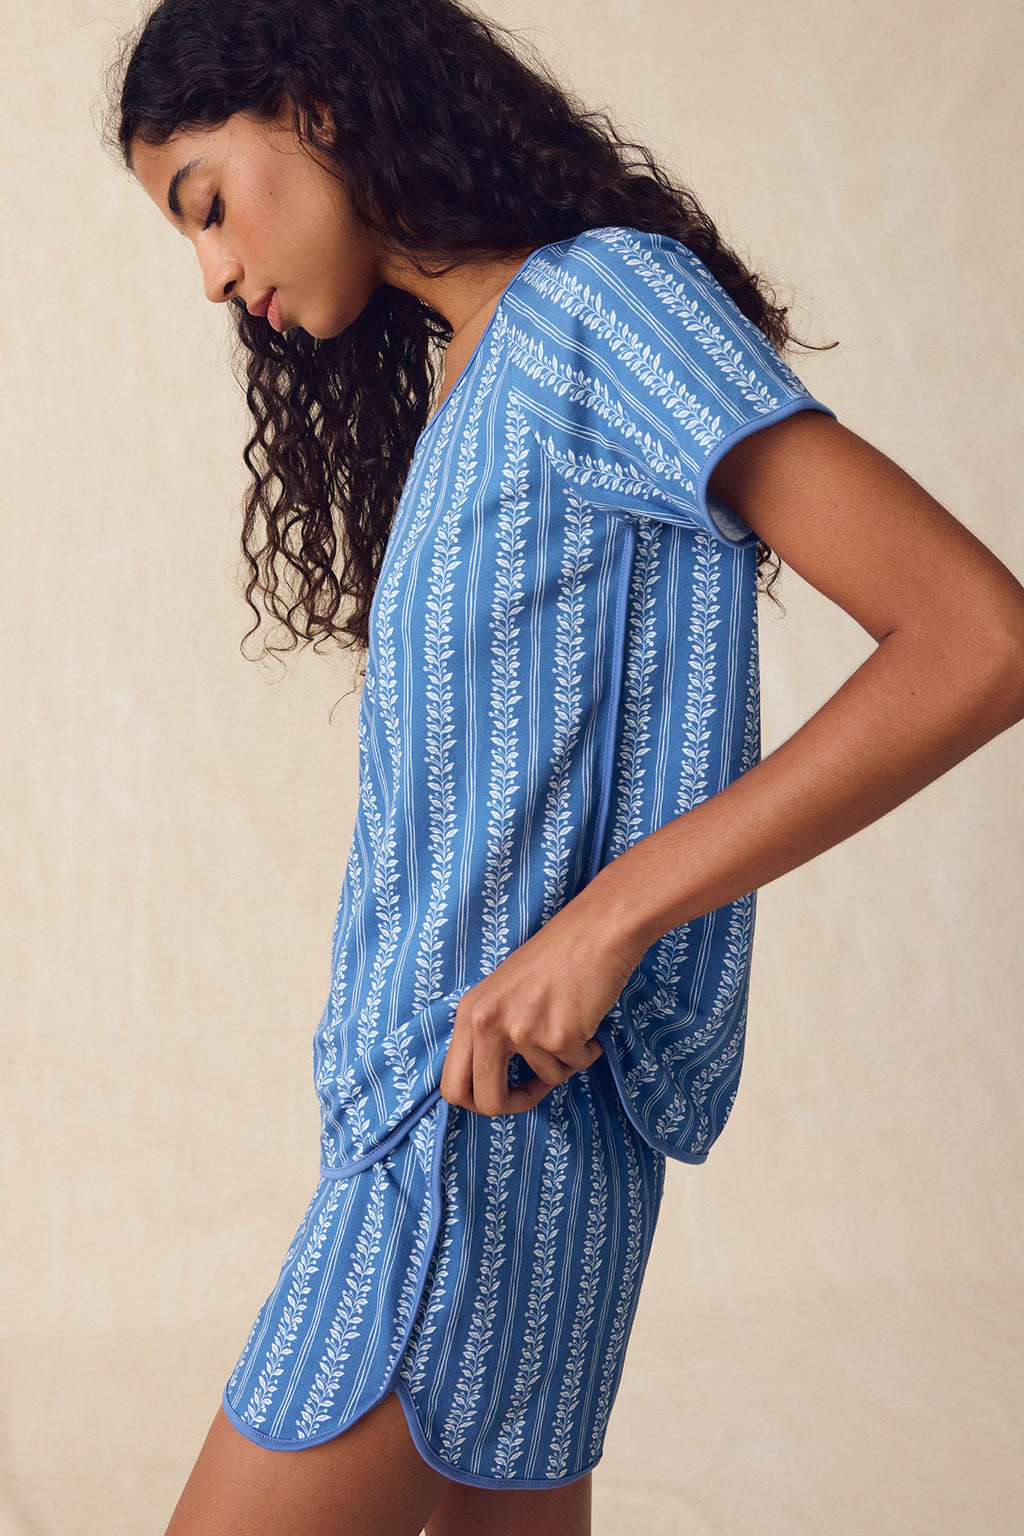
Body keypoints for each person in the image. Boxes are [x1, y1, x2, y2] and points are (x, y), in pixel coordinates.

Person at [103, 0, 1024, 1532]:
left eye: (205, 202)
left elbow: (975, 638)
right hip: (471, 1124)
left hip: (467, 1142)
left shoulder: (597, 306)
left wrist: (606, 924)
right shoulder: (474, 370)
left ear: (316, 103)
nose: (212, 272)